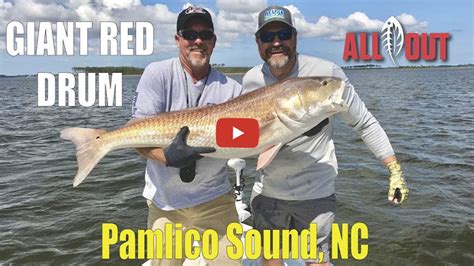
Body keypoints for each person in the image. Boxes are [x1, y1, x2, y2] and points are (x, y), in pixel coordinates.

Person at [242, 6, 409, 266]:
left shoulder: (327, 76)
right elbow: (244, 136)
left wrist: (394, 168)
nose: (276, 43)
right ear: (258, 42)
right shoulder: (251, 79)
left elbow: (364, 123)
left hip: (315, 193)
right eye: (267, 37)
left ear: (295, 36)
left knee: (317, 260)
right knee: (270, 258)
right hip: (268, 191)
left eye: (284, 34)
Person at [132, 6, 242, 266]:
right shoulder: (157, 74)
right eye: (190, 33)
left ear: (214, 42)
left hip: (216, 200)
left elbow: (246, 140)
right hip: (165, 203)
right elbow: (137, 137)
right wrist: (166, 157)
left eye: (205, 34)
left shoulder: (233, 89)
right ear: (178, 39)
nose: (198, 41)